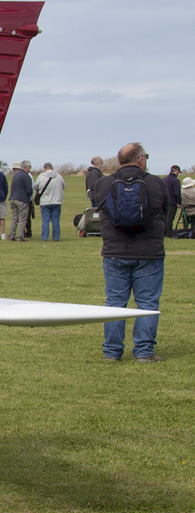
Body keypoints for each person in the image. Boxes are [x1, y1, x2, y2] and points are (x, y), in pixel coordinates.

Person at [88, 142, 169, 362]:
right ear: (141, 159)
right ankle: (144, 351)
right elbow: (165, 212)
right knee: (148, 303)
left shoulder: (104, 184)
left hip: (115, 251)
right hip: (149, 251)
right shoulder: (156, 183)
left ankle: (112, 352)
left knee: (115, 302)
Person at [35, 162, 64, 241]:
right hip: (57, 201)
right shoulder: (59, 177)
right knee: (56, 221)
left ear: (44, 168)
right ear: (52, 168)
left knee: (45, 220)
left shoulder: (41, 177)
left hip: (45, 201)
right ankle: (56, 237)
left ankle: (44, 237)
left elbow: (35, 187)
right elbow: (63, 186)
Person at [7, 161, 34, 242]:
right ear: (26, 167)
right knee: (22, 219)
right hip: (22, 199)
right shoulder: (26, 176)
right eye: (29, 166)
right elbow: (29, 190)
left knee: (14, 218)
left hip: (12, 198)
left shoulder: (15, 175)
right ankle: (20, 236)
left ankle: (12, 235)